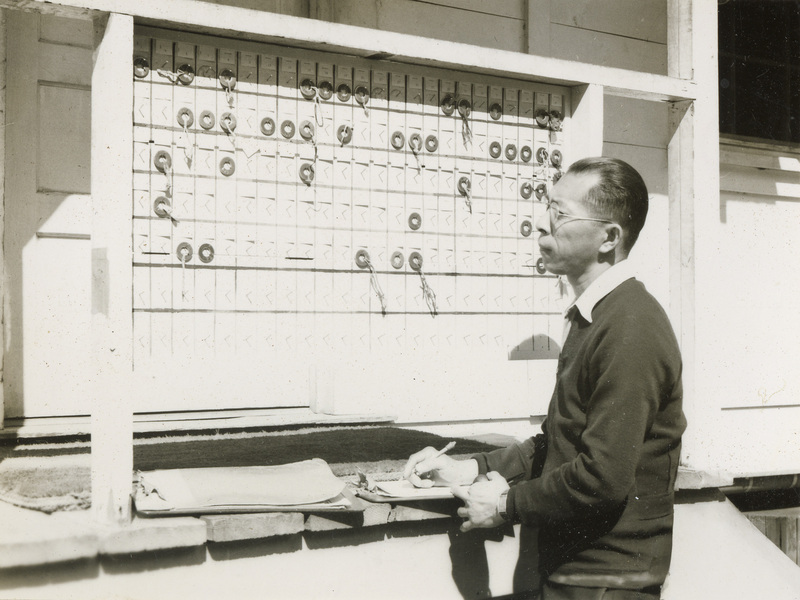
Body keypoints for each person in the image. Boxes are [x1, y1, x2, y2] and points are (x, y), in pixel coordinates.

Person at [404, 157, 687, 599]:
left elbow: (601, 478)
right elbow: (559, 440)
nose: (542, 224)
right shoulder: (596, 315)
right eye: (547, 207)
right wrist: (471, 467)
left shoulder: (631, 327)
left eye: (560, 214)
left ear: (609, 238)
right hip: (576, 572)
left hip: (607, 582)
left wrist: (503, 505)